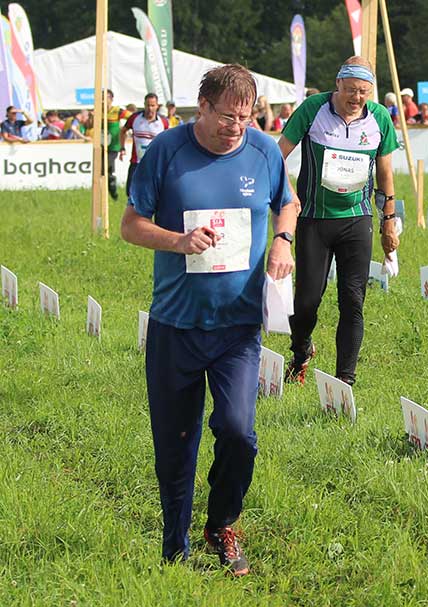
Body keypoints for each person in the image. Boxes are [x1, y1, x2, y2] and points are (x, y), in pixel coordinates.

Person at [119, 63, 298, 575]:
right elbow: (131, 225)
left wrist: (283, 241)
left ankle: (221, 524)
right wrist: (178, 241)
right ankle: (174, 549)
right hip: (176, 325)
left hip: (237, 328)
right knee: (176, 446)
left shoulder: (263, 152)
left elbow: (288, 204)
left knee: (239, 433)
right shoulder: (166, 151)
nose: (236, 127)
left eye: (246, 117)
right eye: (227, 116)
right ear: (202, 107)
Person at [277, 56, 399, 387]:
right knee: (306, 303)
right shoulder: (313, 109)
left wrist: (389, 221)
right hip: (314, 219)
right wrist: (289, 192)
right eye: (350, 90)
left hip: (356, 220)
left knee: (353, 301)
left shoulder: (380, 118)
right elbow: (278, 154)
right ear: (338, 84)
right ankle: (301, 350)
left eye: (363, 92)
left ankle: (345, 381)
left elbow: (385, 174)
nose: (356, 98)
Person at [121, 93, 170, 198]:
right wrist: (122, 147)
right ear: (144, 105)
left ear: (157, 106)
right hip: (137, 162)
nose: (150, 108)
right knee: (130, 192)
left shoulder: (163, 122)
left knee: (155, 194)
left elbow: (168, 141)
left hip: (155, 164)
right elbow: (123, 131)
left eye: (152, 105)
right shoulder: (135, 118)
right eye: (148, 105)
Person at [104, 90, 130, 199]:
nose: (103, 100)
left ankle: (112, 186)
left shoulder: (117, 111)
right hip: (102, 145)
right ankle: (108, 187)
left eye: (106, 97)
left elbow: (131, 117)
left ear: (111, 99)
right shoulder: (99, 112)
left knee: (107, 165)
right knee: (104, 169)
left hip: (114, 145)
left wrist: (126, 129)